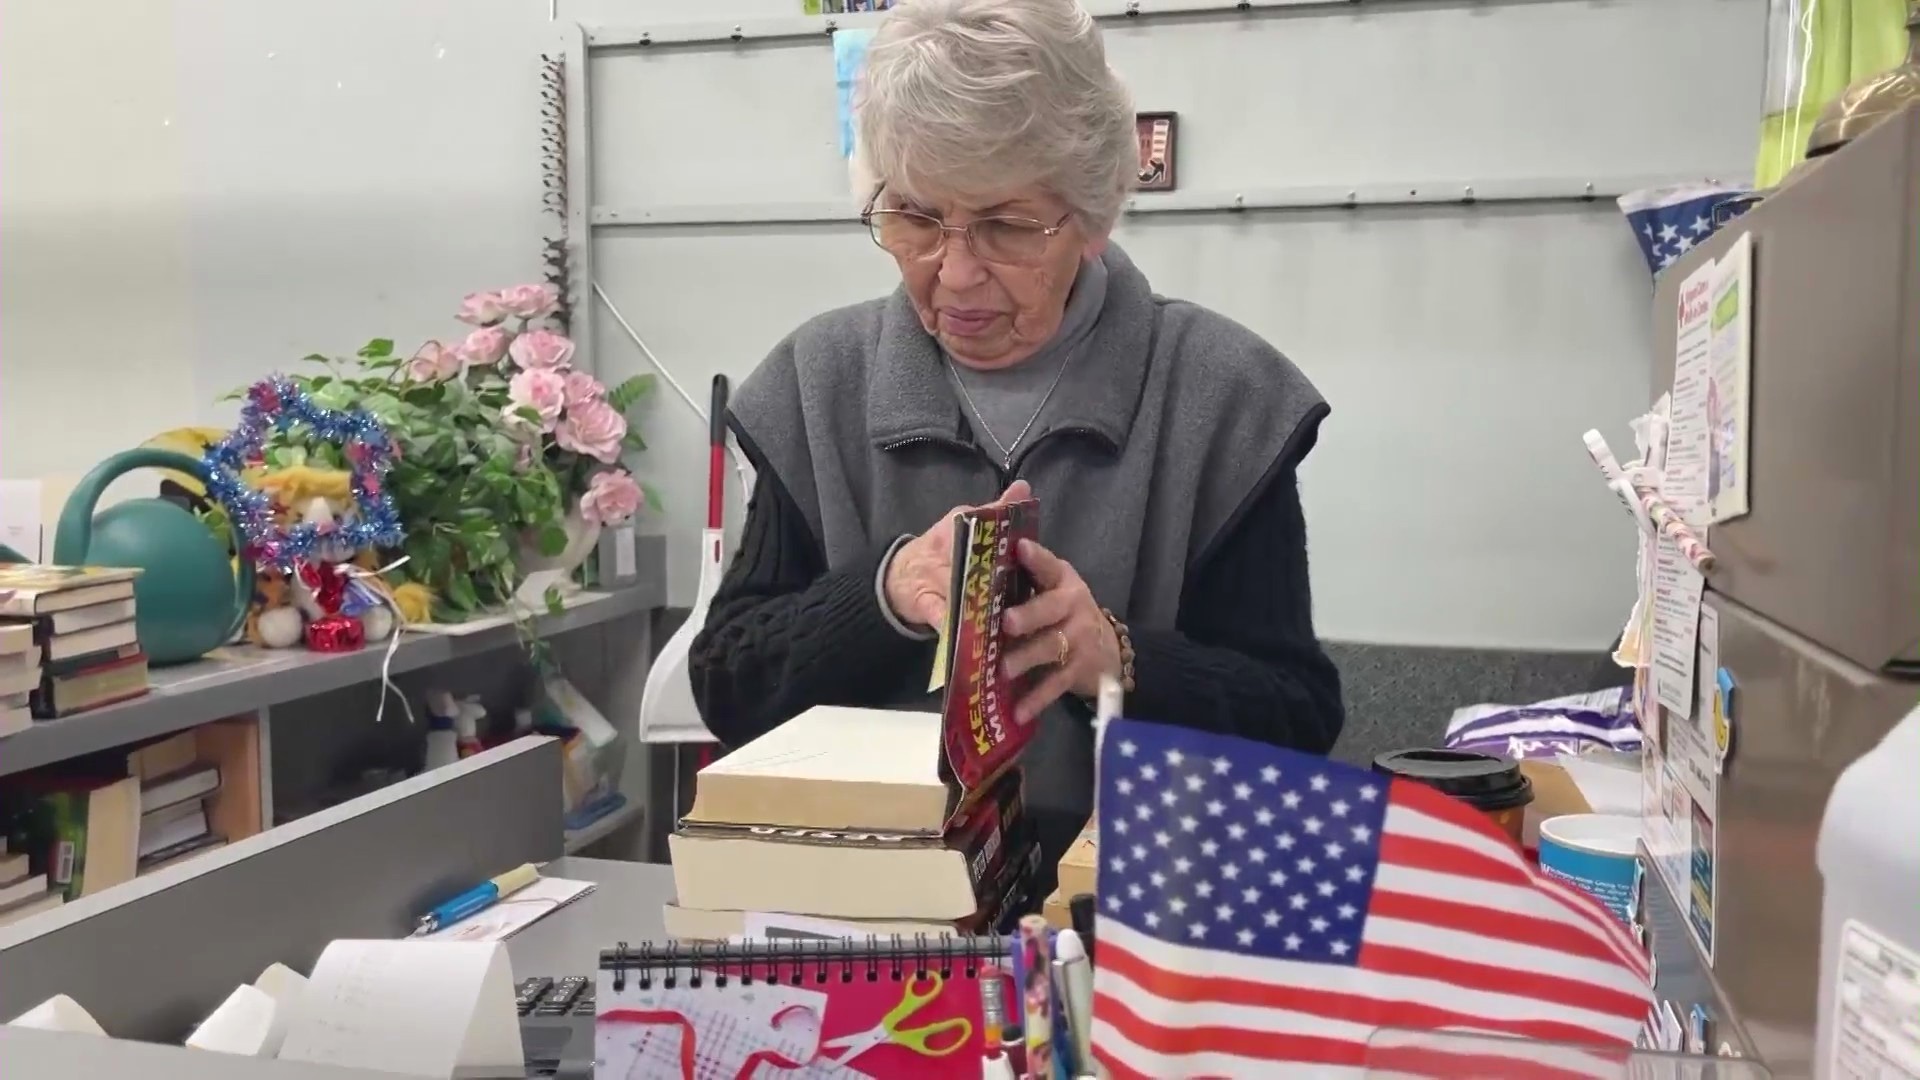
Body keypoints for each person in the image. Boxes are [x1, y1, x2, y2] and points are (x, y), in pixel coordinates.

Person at [690, 0, 1344, 886]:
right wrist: (881, 597)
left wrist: (1121, 661)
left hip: (1138, 912)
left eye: (1005, 228)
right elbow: (728, 683)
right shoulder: (819, 384)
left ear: (1094, 216)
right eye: (917, 219)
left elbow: (1298, 718)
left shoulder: (1221, 395)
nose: (955, 273)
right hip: (871, 908)